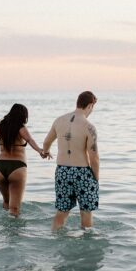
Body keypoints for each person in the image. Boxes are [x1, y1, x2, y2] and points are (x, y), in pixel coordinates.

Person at [0, 103, 50, 217]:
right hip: (17, 167)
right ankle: (15, 233)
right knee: (15, 208)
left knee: (6, 202)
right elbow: (30, 140)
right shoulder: (21, 128)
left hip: (0, 168)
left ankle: (5, 232)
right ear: (23, 116)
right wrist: (40, 151)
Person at [43, 91, 99, 231]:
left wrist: (46, 152)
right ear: (90, 105)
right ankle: (86, 247)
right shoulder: (89, 127)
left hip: (62, 171)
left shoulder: (59, 120)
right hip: (82, 172)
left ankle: (55, 237)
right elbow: (94, 158)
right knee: (86, 212)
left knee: (62, 211)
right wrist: (95, 178)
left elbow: (46, 142)